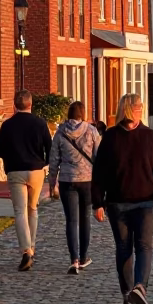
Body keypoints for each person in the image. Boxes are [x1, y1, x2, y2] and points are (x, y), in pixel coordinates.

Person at [91, 94, 153, 304]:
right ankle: (139, 287)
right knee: (142, 247)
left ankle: (129, 294)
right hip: (136, 202)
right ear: (134, 110)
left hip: (125, 202)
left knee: (125, 248)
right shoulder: (146, 137)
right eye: (140, 107)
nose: (141, 110)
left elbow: (99, 174)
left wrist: (98, 202)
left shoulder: (113, 137)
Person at [0, 89, 52, 271]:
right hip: (36, 169)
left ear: (14, 105)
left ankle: (26, 251)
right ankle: (32, 246)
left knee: (20, 211)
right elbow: (49, 147)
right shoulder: (40, 123)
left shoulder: (7, 125)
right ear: (31, 104)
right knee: (33, 208)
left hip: (15, 170)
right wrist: (46, 164)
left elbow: (0, 150)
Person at [48, 101, 102, 275]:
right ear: (83, 113)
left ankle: (74, 260)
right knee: (85, 218)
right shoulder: (92, 131)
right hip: (87, 180)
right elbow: (98, 157)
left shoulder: (60, 132)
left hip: (67, 180)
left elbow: (54, 159)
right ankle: (84, 256)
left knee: (71, 220)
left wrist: (52, 181)